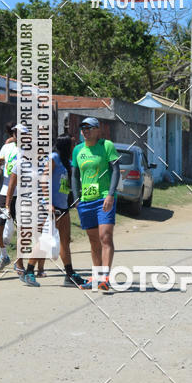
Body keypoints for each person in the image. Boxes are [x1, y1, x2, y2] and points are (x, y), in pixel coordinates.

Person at [6, 134, 85, 287]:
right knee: (45, 240)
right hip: (52, 207)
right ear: (65, 145)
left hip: (63, 206)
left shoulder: (67, 162)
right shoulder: (54, 157)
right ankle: (29, 272)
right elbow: (44, 178)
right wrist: (48, 203)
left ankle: (69, 274)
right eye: (72, 144)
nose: (73, 147)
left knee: (65, 241)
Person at [71, 118, 120, 293]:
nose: (85, 131)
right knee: (93, 241)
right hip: (86, 201)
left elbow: (116, 170)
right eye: (83, 128)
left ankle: (105, 278)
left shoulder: (106, 146)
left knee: (105, 236)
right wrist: (76, 198)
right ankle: (97, 276)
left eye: (89, 128)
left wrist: (110, 194)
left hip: (103, 199)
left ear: (98, 130)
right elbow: (74, 175)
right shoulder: (78, 149)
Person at [0, 123, 24, 274]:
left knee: (22, 229)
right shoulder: (6, 148)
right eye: (15, 132)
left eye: (20, 132)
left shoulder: (29, 151)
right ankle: (4, 255)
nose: (17, 135)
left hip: (22, 194)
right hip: (5, 192)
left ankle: (20, 261)